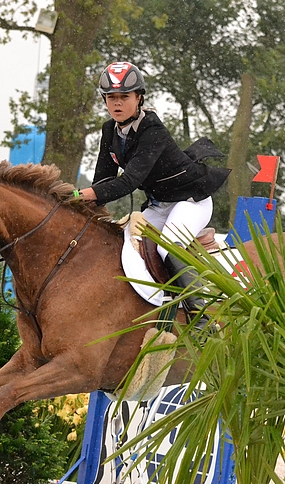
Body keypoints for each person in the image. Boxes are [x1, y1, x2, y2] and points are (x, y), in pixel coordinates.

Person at [77, 61, 230, 327]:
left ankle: (201, 320)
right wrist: (79, 207)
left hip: (190, 201)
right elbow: (103, 180)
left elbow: (129, 182)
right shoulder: (109, 131)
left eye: (124, 96)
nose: (117, 103)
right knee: (123, 244)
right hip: (159, 205)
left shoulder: (153, 130)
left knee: (165, 245)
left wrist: (80, 194)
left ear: (138, 98)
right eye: (111, 97)